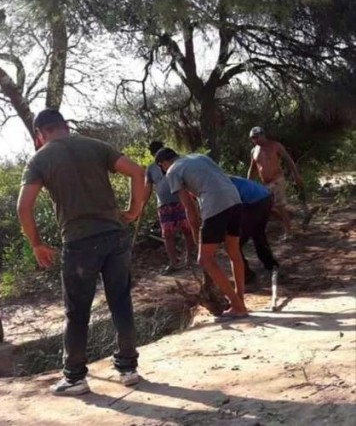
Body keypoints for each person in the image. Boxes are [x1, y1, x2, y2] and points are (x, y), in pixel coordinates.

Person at [16, 109, 145, 396]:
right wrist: (133, 210)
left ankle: (75, 378)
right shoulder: (95, 146)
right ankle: (128, 369)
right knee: (121, 302)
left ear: (39, 134)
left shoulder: (39, 158)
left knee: (77, 313)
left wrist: (36, 243)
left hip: (78, 243)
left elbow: (23, 207)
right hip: (115, 236)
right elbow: (137, 171)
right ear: (65, 126)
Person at [155, 148, 248, 320]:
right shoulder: (199, 157)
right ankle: (239, 301)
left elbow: (189, 208)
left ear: (163, 164)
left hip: (215, 205)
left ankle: (237, 306)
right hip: (235, 199)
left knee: (204, 259)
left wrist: (197, 238)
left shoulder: (172, 171)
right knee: (234, 253)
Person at [143, 141, 196, 273]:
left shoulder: (176, 163)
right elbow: (147, 188)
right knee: (167, 234)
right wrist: (141, 205)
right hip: (164, 205)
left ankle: (190, 258)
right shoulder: (150, 168)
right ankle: (174, 262)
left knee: (187, 230)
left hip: (181, 201)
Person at [247, 126, 304, 240]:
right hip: (265, 184)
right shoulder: (254, 151)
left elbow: (288, 159)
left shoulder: (275, 145)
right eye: (252, 138)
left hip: (277, 180)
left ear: (263, 135)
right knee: (267, 207)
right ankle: (291, 218)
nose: (255, 140)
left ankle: (288, 232)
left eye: (256, 137)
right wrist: (247, 183)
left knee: (279, 206)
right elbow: (252, 168)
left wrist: (296, 175)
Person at [229, 176, 280, 287]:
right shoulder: (228, 179)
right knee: (258, 233)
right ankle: (271, 264)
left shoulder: (220, 185)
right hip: (266, 197)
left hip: (254, 202)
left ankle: (246, 274)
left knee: (234, 244)